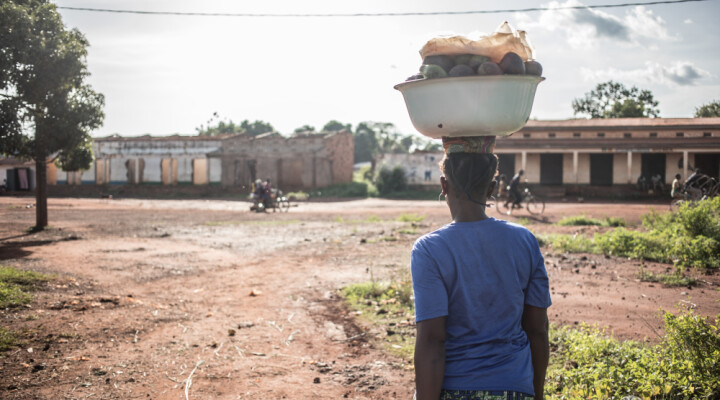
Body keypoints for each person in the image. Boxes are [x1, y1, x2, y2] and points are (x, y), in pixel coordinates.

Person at [411, 150, 551, 400]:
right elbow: (537, 330)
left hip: (453, 389)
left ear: (444, 185)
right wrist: (536, 395)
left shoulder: (429, 249)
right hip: (515, 387)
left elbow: (433, 340)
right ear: (491, 188)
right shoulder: (524, 240)